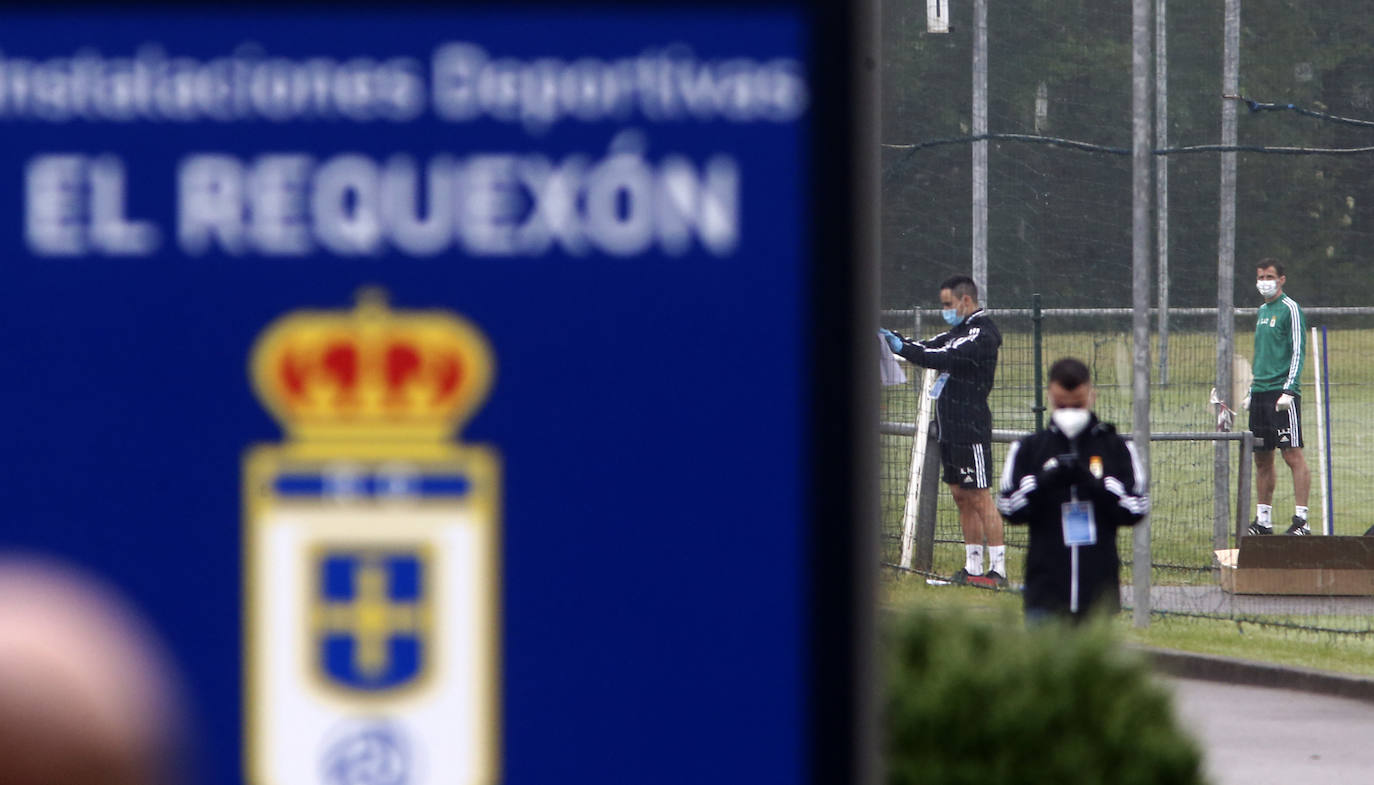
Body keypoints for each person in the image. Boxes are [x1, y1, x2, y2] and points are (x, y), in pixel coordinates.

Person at [996, 358, 1148, 624]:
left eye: (1076, 405)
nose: (1069, 411)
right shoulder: (1028, 448)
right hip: (1045, 593)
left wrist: (1094, 482)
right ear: (1050, 398)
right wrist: (1044, 480)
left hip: (1098, 595)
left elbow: (1136, 508)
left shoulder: (1116, 447)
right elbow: (1009, 507)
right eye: (1062, 405)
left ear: (1092, 396)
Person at [881, 275, 1005, 587]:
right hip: (949, 427)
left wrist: (905, 349)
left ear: (966, 301)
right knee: (961, 496)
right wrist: (895, 339)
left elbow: (940, 356)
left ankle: (998, 571)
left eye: (948, 304)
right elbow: (927, 346)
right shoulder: (956, 332)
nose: (945, 310)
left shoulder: (982, 333)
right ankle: (973, 567)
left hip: (971, 427)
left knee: (979, 495)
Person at [1244, 258, 1311, 536]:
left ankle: (1301, 521)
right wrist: (1251, 389)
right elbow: (1262, 355)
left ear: (1281, 279)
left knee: (1292, 454)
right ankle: (1263, 521)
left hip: (1282, 395)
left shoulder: (1290, 309)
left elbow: (1298, 351)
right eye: (1260, 277)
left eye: (1269, 276)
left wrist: (1289, 388)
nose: (1264, 282)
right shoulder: (1261, 311)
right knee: (1262, 457)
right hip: (1260, 394)